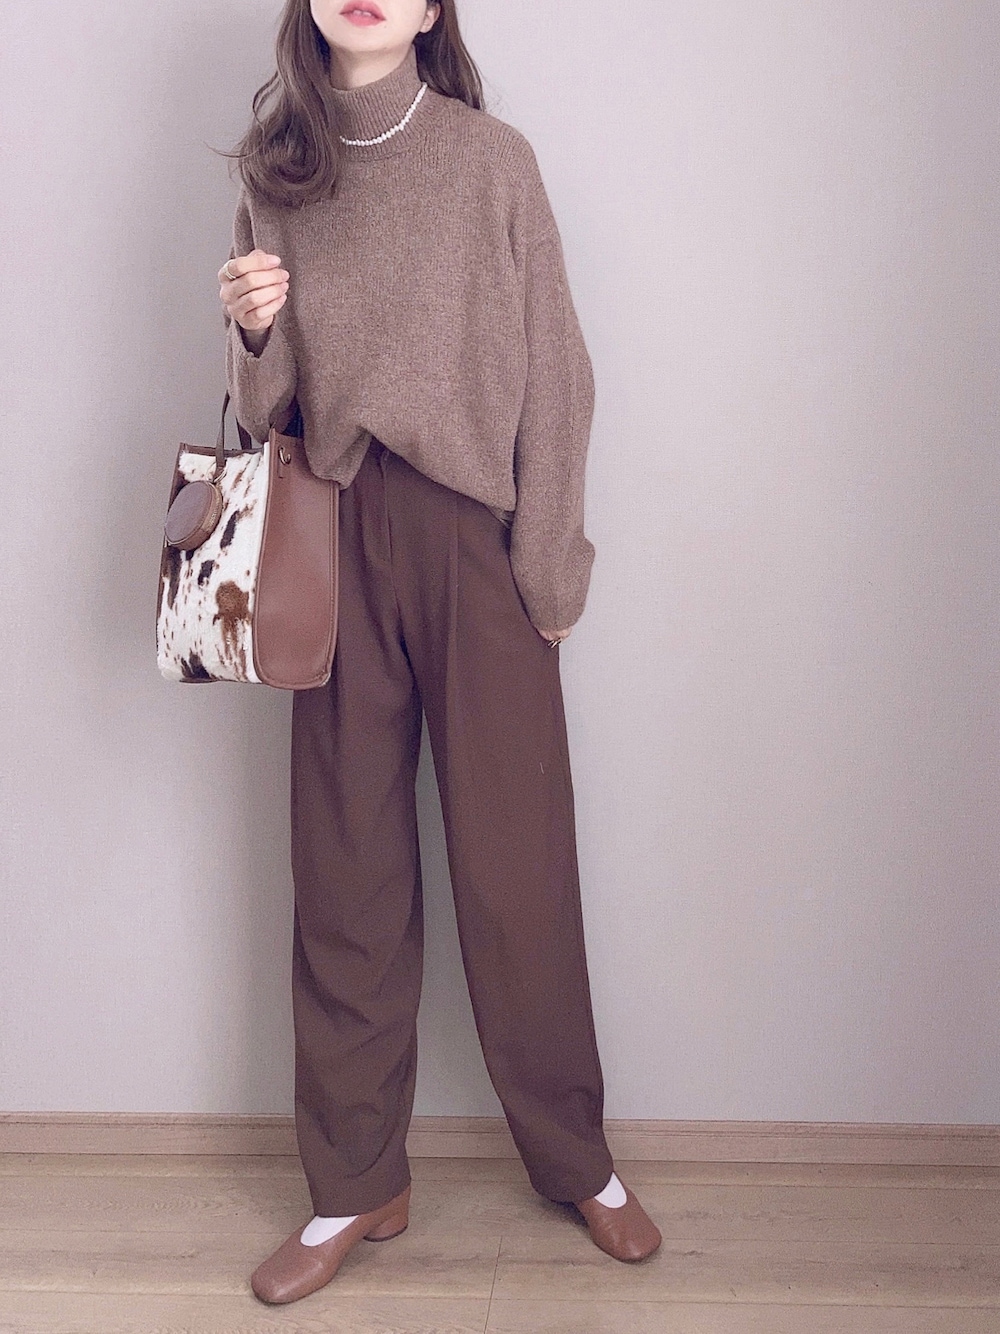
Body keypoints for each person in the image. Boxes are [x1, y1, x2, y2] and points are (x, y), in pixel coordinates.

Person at [217, 0, 661, 1306]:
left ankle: (576, 1157)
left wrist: (551, 564)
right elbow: (267, 408)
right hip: (332, 536)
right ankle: (355, 1180)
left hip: (477, 543)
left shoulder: (490, 163)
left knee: (518, 870)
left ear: (430, 11)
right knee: (343, 871)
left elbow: (558, 376)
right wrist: (253, 330)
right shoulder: (279, 176)